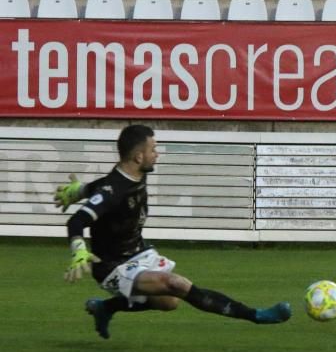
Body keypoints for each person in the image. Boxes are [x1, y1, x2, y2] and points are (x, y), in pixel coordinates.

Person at [53, 124, 291, 340]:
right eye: (153, 149)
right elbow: (77, 220)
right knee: (176, 284)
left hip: (136, 253)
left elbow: (103, 184)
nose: (157, 153)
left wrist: (81, 190)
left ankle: (105, 308)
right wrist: (79, 250)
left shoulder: (129, 175)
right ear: (138, 156)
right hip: (112, 266)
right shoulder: (113, 190)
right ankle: (257, 315)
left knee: (170, 302)